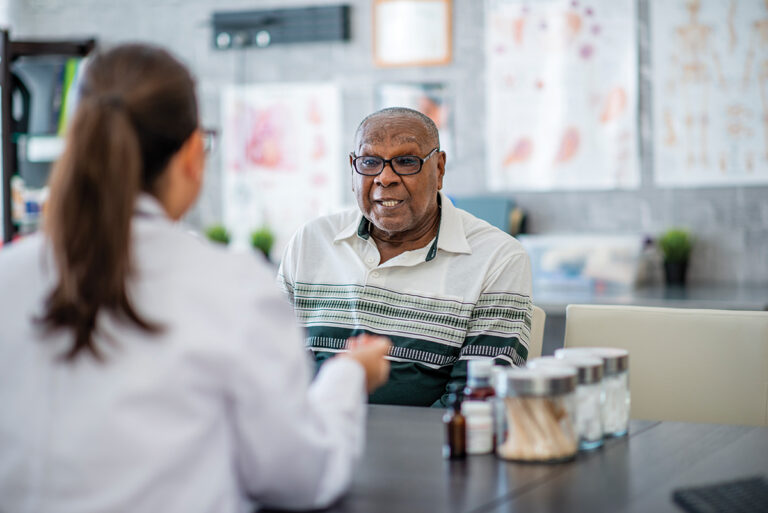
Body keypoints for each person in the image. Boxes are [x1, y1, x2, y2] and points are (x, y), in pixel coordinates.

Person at [0, 44, 391, 513]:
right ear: (191, 155)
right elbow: (299, 478)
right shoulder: (233, 288)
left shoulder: (11, 275)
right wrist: (347, 376)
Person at [278, 107, 532, 407]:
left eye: (406, 162)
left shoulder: (497, 257)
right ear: (353, 168)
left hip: (426, 450)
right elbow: (275, 372)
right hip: (317, 446)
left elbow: (475, 403)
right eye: (370, 162)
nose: (385, 178)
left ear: (439, 169)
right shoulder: (311, 242)